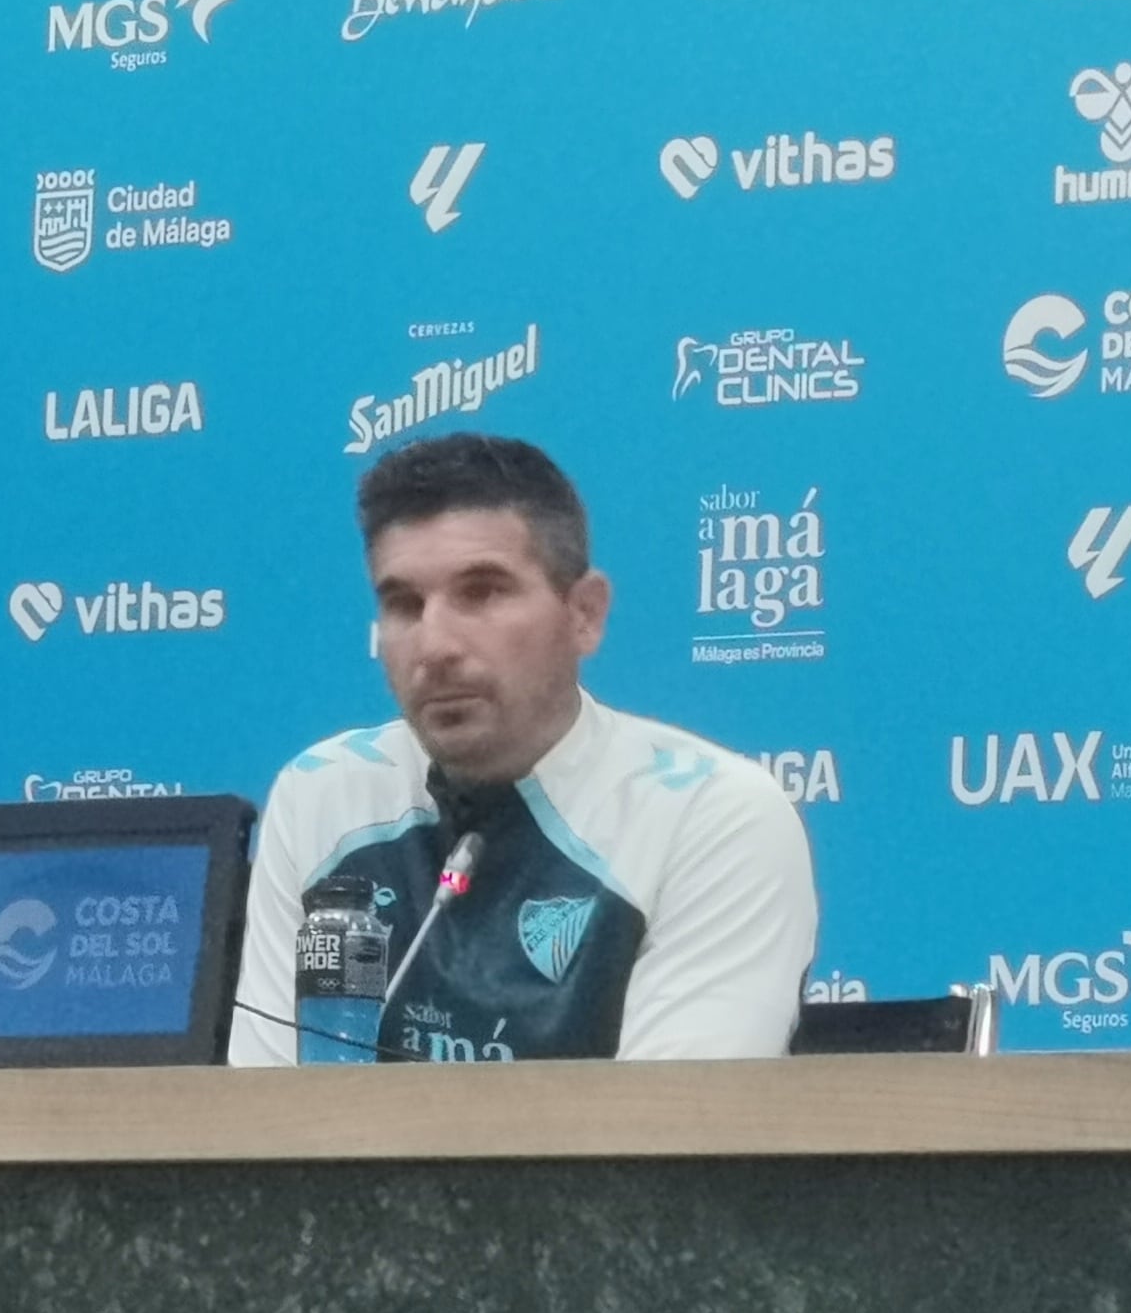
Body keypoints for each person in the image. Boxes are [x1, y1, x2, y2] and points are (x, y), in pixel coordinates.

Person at [229, 432, 819, 1064]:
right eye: (404, 604)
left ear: (585, 614)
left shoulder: (713, 815)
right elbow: (264, 1104)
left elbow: (673, 1119)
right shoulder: (324, 792)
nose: (435, 646)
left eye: (481, 593)